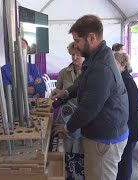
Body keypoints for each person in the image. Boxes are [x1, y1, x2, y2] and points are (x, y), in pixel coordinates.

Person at [51, 15, 129, 180]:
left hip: (104, 140)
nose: (76, 46)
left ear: (91, 38)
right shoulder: (96, 58)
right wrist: (65, 93)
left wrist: (67, 128)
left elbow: (88, 108)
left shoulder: (101, 67)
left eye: (77, 40)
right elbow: (81, 83)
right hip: (101, 135)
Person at [53, 42, 85, 180]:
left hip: (83, 117)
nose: (75, 57)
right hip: (65, 115)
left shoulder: (90, 73)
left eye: (78, 55)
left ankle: (79, 174)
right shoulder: (63, 73)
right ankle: (68, 174)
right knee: (66, 148)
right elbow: (57, 92)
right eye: (73, 54)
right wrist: (55, 96)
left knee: (81, 149)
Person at [114, 52, 138, 180]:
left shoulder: (127, 82)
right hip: (127, 128)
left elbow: (130, 109)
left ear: (123, 65)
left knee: (124, 162)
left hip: (129, 129)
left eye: (114, 64)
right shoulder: (122, 79)